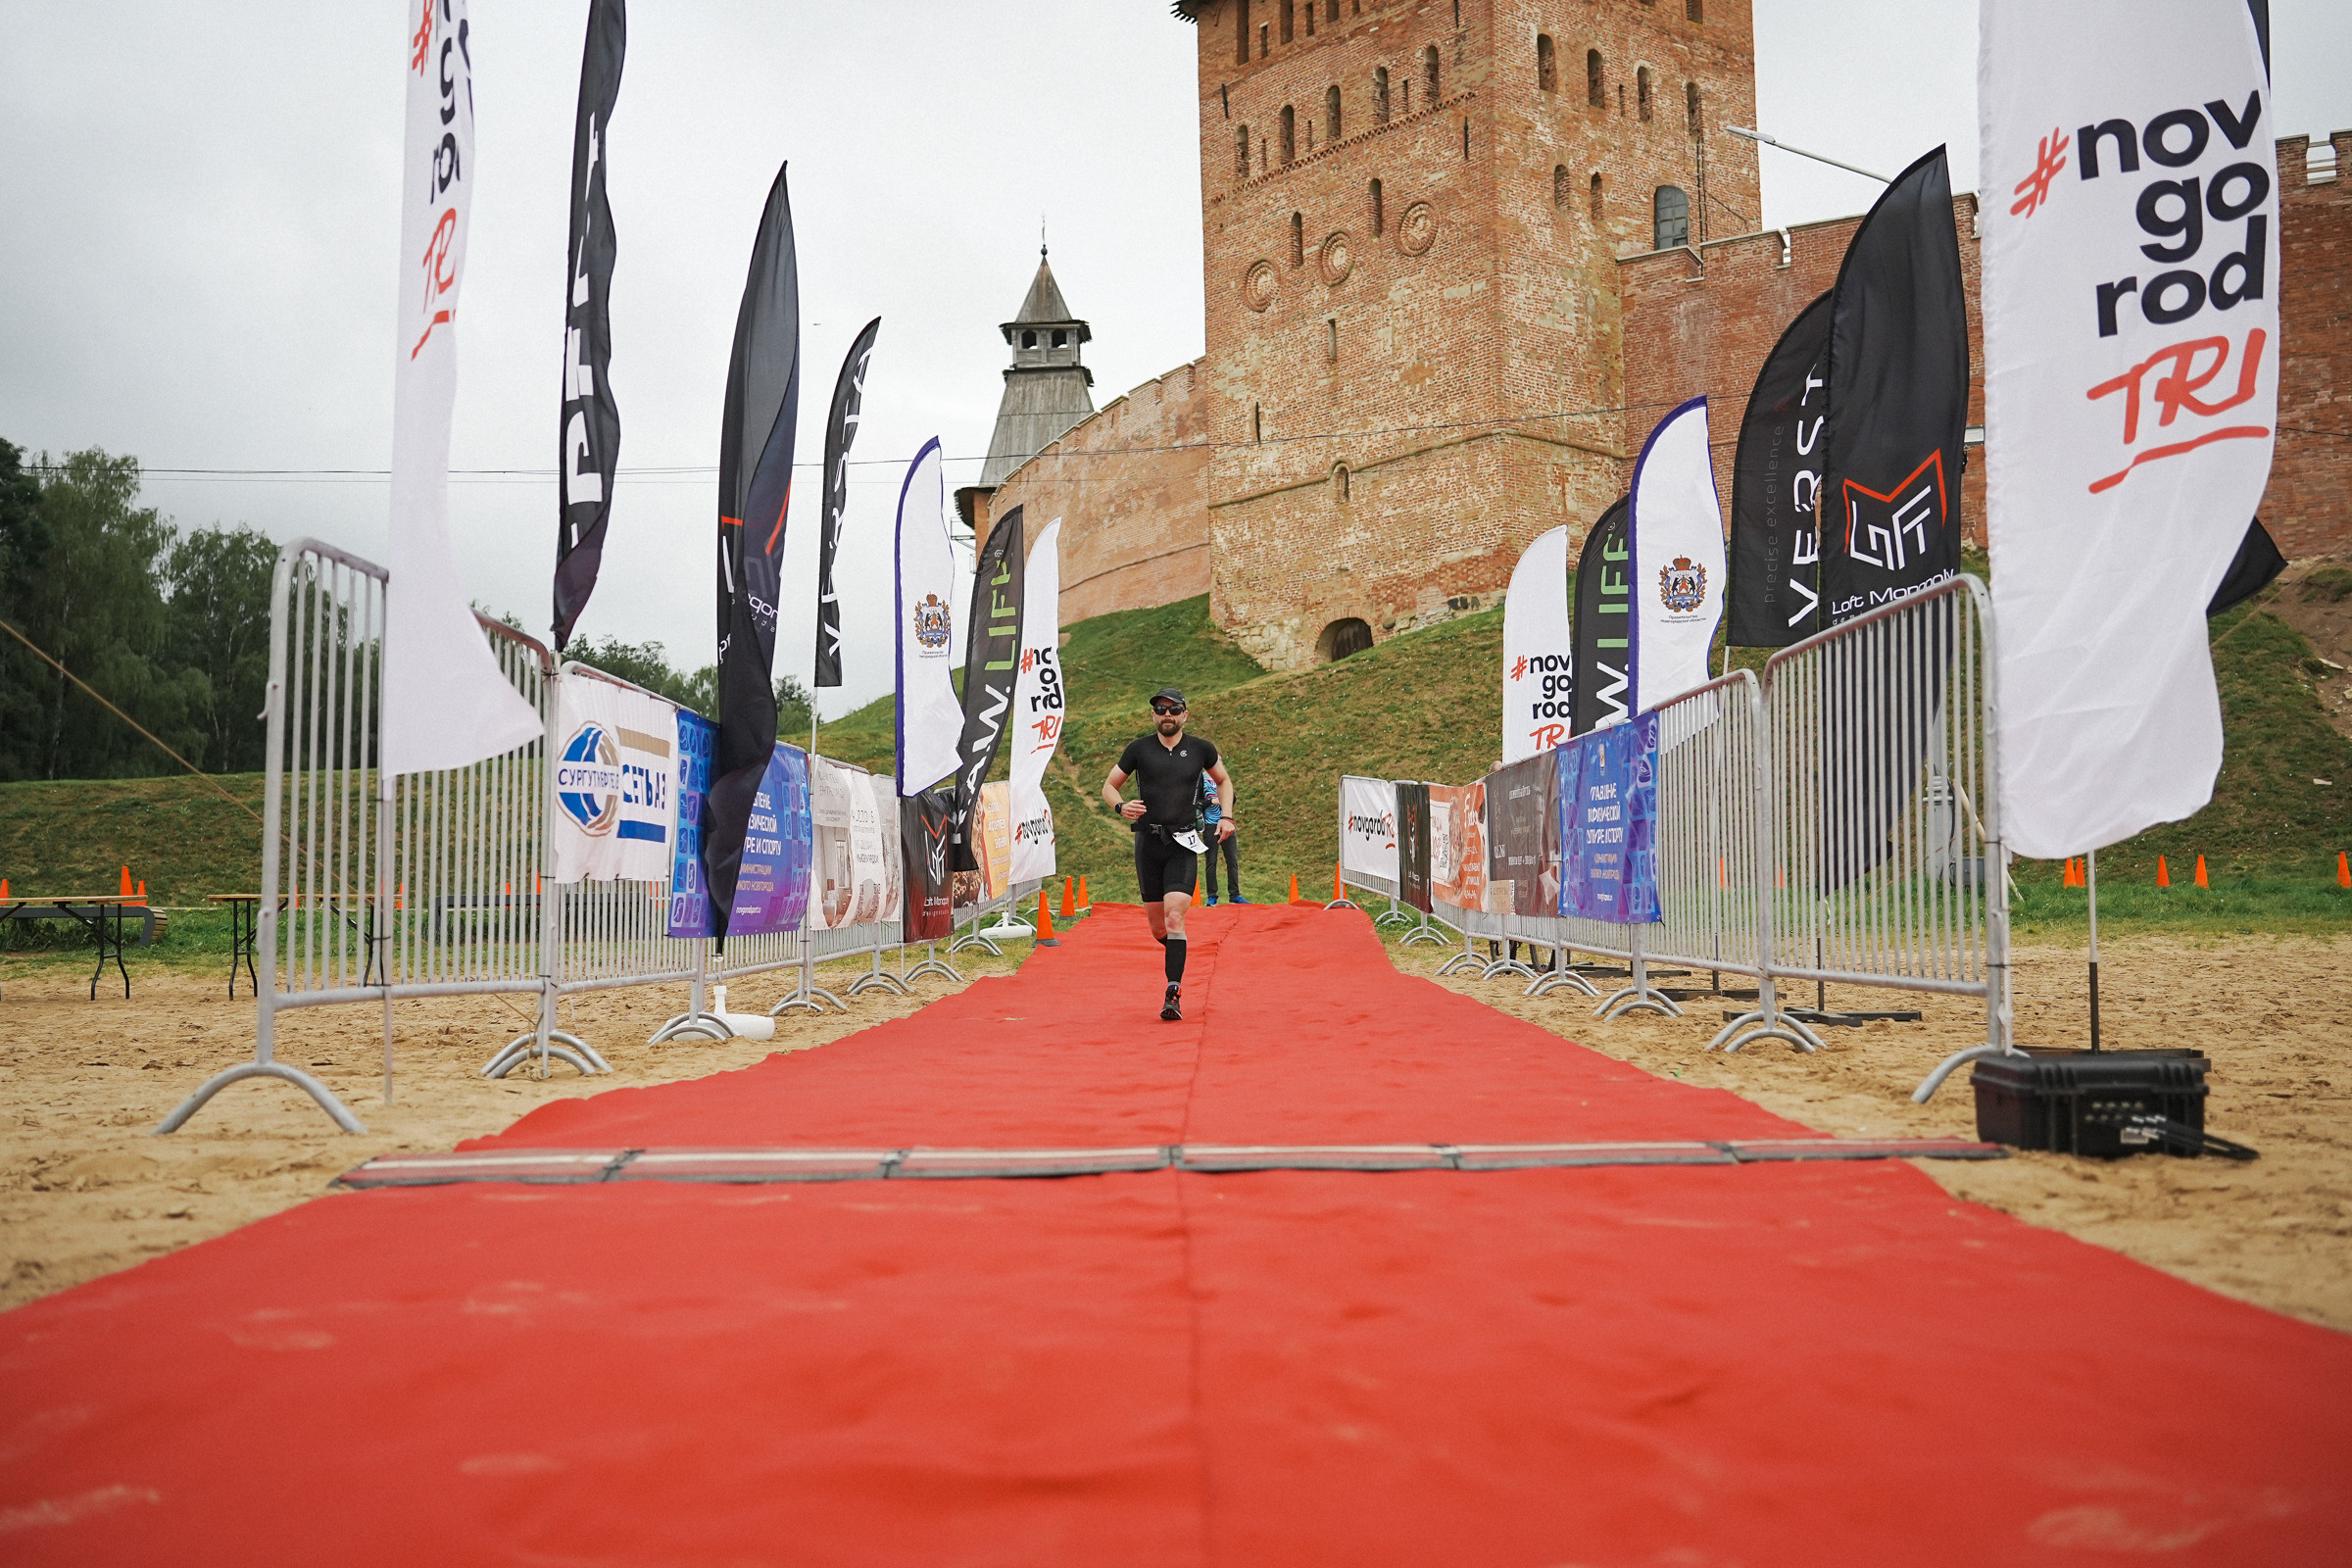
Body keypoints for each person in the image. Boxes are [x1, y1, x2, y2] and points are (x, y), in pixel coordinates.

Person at [1103, 686, 1237, 1021]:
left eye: (1174, 710)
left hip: (1183, 843)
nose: (1167, 715)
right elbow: (1109, 786)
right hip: (1148, 844)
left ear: (1184, 715)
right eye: (1161, 710)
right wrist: (1120, 806)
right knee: (1158, 928)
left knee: (1175, 917)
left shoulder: (1201, 749)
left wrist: (1226, 816)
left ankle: (1173, 991)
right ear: (1153, 715)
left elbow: (1224, 781)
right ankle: (1178, 952)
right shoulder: (1139, 750)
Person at [1200, 775, 1246, 906]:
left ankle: (1235, 895)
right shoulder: (1201, 779)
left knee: (1232, 859)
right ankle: (1212, 896)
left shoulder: (1223, 779)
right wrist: (1211, 801)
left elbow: (1233, 799)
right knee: (1211, 861)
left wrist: (1227, 797)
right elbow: (1196, 802)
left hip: (1226, 823)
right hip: (1210, 825)